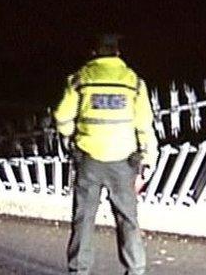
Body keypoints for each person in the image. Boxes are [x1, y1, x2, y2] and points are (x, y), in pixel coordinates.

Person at [54, 34, 159, 275]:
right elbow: (144, 125)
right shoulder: (134, 82)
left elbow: (61, 117)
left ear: (93, 52)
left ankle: (79, 270)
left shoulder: (80, 79)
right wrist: (148, 161)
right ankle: (136, 269)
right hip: (123, 162)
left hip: (89, 159)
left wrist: (72, 135)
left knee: (84, 220)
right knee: (127, 220)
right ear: (117, 53)